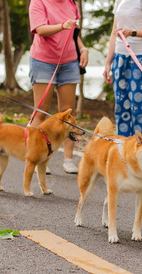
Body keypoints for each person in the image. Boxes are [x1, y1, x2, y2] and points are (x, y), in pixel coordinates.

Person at [28, 0, 88, 174]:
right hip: (43, 61)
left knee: (68, 113)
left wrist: (83, 49)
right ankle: (36, 156)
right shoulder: (38, 2)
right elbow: (40, 29)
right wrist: (62, 25)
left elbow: (74, 33)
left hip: (69, 62)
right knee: (41, 111)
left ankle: (68, 159)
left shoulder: (71, 3)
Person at [103, 0, 142, 137]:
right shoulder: (119, 1)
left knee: (138, 107)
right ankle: (123, 149)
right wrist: (108, 63)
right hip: (119, 57)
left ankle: (141, 150)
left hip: (140, 58)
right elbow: (113, 34)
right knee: (120, 107)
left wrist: (132, 32)